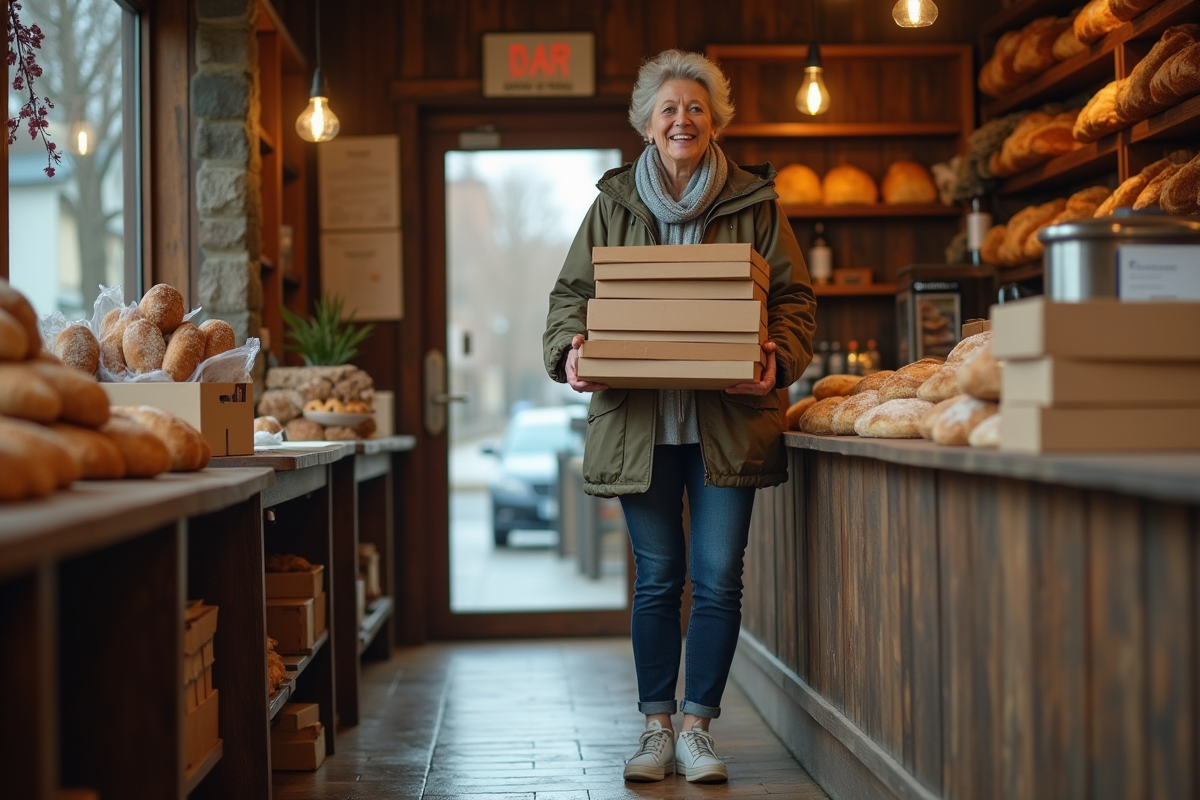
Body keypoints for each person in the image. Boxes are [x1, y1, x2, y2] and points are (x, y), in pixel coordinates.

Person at [542, 49, 816, 784]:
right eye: (668, 108)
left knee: (720, 576)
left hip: (726, 424)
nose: (682, 119)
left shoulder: (756, 204)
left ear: (715, 120)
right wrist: (569, 351)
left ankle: (699, 727)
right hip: (641, 427)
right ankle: (654, 728)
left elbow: (794, 304)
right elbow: (570, 298)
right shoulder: (612, 206)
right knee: (659, 578)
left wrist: (776, 357)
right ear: (646, 124)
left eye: (696, 107)